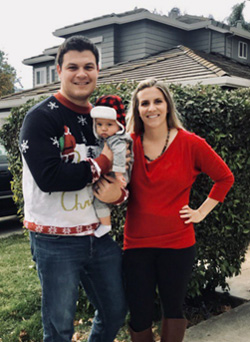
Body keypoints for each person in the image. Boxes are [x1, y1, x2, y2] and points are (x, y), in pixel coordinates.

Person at [19, 35, 127, 342]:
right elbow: (50, 178)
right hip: (55, 240)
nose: (82, 73)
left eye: (89, 66)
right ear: (58, 70)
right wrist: (104, 161)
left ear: (97, 71)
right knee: (59, 329)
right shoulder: (40, 118)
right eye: (73, 67)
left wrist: (118, 193)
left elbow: (122, 168)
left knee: (115, 312)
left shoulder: (103, 119)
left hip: (97, 235)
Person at [123, 78, 234, 342]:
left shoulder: (190, 143)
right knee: (139, 315)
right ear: (137, 109)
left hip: (177, 243)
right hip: (136, 245)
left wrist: (201, 212)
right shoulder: (126, 144)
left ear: (168, 106)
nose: (152, 108)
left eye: (157, 101)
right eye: (145, 103)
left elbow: (224, 177)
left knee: (172, 310)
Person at [90, 94, 133, 237]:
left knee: (99, 199)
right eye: (99, 124)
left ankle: (106, 224)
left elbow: (121, 154)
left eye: (109, 125)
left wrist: (120, 175)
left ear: (119, 125)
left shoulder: (117, 139)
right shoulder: (107, 138)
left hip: (118, 175)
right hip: (110, 175)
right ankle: (105, 224)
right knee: (98, 200)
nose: (103, 129)